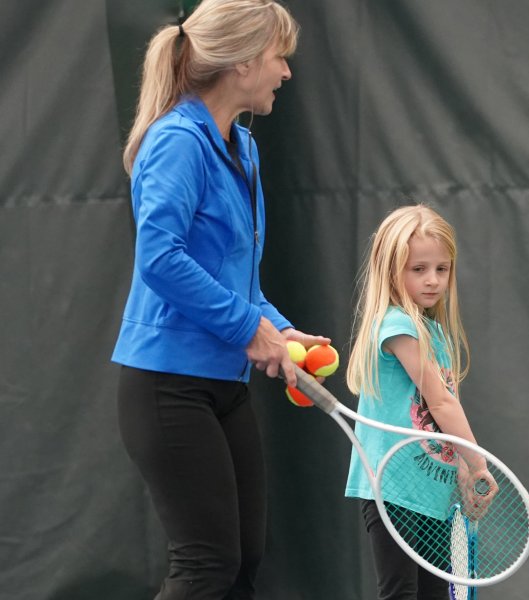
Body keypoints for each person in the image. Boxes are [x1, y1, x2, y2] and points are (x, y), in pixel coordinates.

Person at [111, 1, 329, 597]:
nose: (286, 72)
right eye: (280, 58)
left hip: (223, 387)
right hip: (166, 386)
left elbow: (241, 281)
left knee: (241, 564)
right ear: (243, 62)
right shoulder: (178, 142)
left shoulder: (244, 149)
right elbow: (160, 258)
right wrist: (249, 331)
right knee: (205, 567)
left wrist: (279, 331)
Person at [344, 204, 496, 600]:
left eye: (441, 269)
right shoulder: (397, 326)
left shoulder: (436, 333)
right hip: (392, 490)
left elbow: (449, 405)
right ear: (390, 271)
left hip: (434, 495)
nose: (433, 280)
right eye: (419, 269)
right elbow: (440, 404)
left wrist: (464, 467)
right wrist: (478, 462)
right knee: (400, 594)